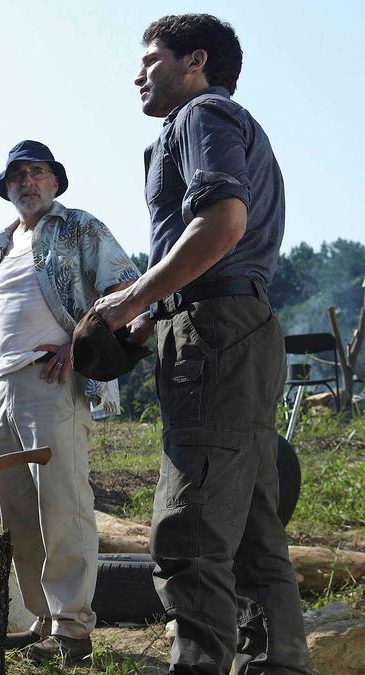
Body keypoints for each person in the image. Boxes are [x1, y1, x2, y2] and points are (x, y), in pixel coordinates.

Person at [93, 14, 309, 673]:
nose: (138, 73)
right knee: (251, 530)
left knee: (187, 529)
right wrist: (148, 318)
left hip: (213, 331)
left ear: (196, 61)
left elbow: (223, 223)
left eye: (151, 59)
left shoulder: (200, 115)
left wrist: (131, 299)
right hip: (236, 327)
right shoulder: (223, 124)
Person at [0, 140, 140, 665]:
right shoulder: (0, 244)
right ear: (7, 188)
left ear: (54, 181)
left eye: (37, 171)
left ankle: (72, 630)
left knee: (63, 506)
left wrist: (79, 341)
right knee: (17, 512)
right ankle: (41, 620)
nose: (27, 182)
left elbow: (126, 286)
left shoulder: (78, 227)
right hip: (3, 386)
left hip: (52, 381)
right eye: (18, 175)